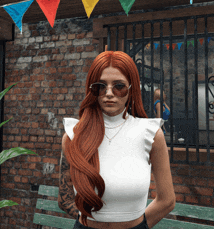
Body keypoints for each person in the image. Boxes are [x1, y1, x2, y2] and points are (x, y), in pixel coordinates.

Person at [58, 51, 176, 229]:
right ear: (92, 89)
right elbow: (64, 198)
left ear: (131, 88)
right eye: (101, 86)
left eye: (118, 86)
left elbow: (167, 200)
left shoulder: (151, 134)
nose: (109, 93)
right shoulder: (73, 135)